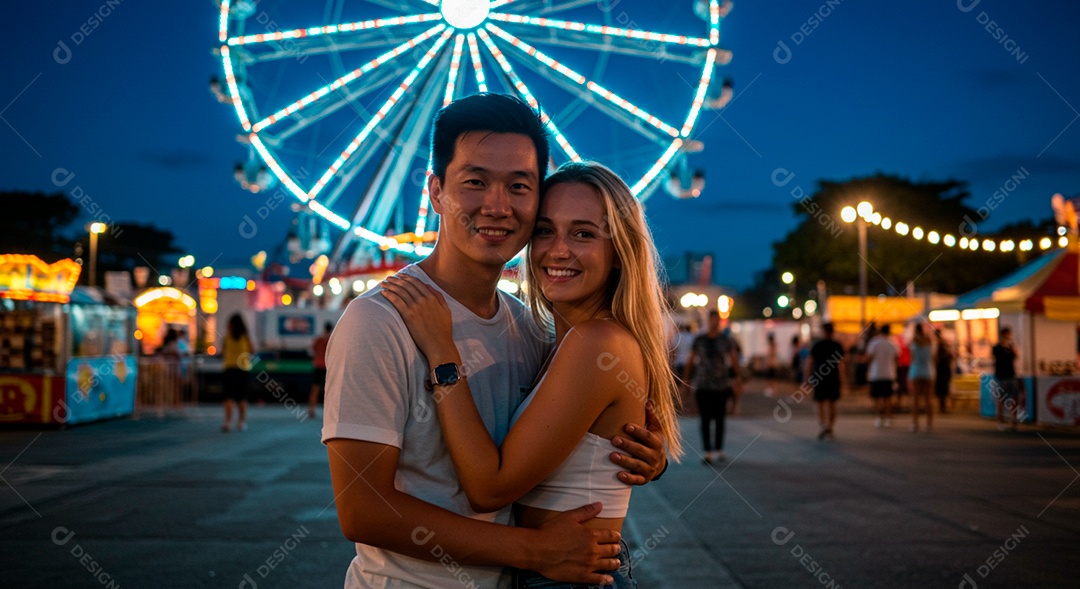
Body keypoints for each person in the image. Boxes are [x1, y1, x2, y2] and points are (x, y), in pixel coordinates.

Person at [322, 94, 666, 589]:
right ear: (436, 192)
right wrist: (533, 550)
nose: (498, 206)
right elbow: (362, 509)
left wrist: (641, 457)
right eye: (475, 182)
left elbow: (550, 454)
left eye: (519, 187)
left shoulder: (532, 330)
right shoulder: (379, 321)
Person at [383, 160, 682, 589]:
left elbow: (488, 489)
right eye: (544, 230)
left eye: (583, 234)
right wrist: (655, 463)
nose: (557, 250)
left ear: (620, 252)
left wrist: (442, 353)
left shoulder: (597, 344)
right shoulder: (557, 342)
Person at [682, 310, 741, 463]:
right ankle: (707, 450)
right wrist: (686, 381)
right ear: (708, 321)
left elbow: (734, 359)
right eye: (712, 319)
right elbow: (690, 361)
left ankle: (719, 448)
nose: (714, 322)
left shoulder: (726, 340)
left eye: (716, 319)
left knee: (720, 417)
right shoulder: (700, 340)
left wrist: (738, 378)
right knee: (705, 418)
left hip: (721, 385)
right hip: (703, 384)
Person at [805, 322, 845, 440]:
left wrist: (807, 378)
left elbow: (809, 362)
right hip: (833, 377)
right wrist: (843, 379)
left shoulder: (817, 345)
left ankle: (822, 424)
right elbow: (841, 364)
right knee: (832, 403)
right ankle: (830, 426)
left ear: (823, 331)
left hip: (819, 376)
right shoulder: (837, 345)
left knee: (819, 402)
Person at [221, 314, 253, 433]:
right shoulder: (246, 338)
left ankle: (228, 421)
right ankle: (241, 422)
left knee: (228, 397)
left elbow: (223, 350)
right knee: (242, 397)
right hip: (243, 369)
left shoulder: (227, 337)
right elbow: (252, 350)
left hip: (229, 369)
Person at [866, 323, 899, 427]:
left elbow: (869, 357)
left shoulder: (874, 342)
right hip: (889, 373)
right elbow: (897, 358)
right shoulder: (893, 343)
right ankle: (888, 417)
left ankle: (878, 417)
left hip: (876, 373)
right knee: (888, 397)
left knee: (876, 397)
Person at [992, 326, 1021, 431]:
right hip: (1001, 376)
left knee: (1015, 398)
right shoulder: (997, 348)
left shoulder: (1011, 347)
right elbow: (998, 359)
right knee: (1001, 399)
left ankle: (1013, 420)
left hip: (1011, 375)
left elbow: (1016, 356)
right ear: (1004, 335)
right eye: (1008, 334)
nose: (1010, 336)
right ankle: (1000, 421)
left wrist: (1013, 349)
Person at [908, 324, 934, 432]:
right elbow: (933, 357)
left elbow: (912, 358)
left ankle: (915, 424)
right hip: (928, 371)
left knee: (915, 400)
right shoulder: (929, 342)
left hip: (916, 371)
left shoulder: (913, 343)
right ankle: (929, 424)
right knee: (928, 399)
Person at [307, 321, 333, 419]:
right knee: (329, 390)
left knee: (315, 389)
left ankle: (311, 410)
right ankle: (329, 413)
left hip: (318, 366)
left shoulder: (319, 339)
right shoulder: (330, 339)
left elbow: (312, 349)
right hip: (327, 366)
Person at [934, 329, 954, 413]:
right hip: (945, 369)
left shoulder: (939, 345)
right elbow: (951, 356)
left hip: (941, 369)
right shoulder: (945, 344)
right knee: (944, 388)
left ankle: (942, 406)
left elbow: (936, 357)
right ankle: (943, 406)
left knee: (941, 388)